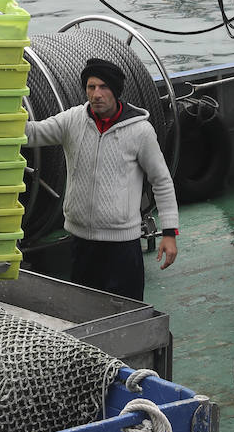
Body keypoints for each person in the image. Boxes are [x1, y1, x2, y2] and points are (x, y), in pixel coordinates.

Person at [25, 57, 179, 300]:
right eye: (91, 87)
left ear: (116, 91)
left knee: (128, 313)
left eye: (103, 87)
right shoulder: (72, 120)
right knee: (85, 312)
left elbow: (161, 181)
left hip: (122, 245)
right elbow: (32, 134)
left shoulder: (140, 131)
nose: (96, 94)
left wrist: (169, 233)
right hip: (80, 242)